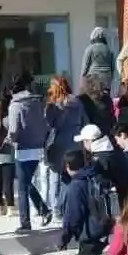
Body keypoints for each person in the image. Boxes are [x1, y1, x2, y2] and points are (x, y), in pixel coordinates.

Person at [6, 72, 53, 232]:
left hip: (23, 148)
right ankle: (44, 210)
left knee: (22, 186)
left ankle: (25, 222)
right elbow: (44, 124)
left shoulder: (15, 105)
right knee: (26, 183)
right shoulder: (37, 102)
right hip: (38, 146)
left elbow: (14, 130)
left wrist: (8, 140)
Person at [45, 76, 87, 218]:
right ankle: (66, 206)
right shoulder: (77, 101)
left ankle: (57, 208)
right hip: (75, 141)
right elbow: (84, 120)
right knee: (69, 176)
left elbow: (49, 125)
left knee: (56, 176)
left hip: (58, 142)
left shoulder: (53, 105)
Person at [77, 123, 128, 205]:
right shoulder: (114, 152)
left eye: (84, 141)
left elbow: (101, 187)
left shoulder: (99, 159)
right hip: (125, 196)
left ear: (89, 141)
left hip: (113, 204)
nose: (83, 144)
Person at [78, 74, 116, 138]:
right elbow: (112, 118)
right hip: (101, 134)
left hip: (92, 134)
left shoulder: (81, 99)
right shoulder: (106, 98)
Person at [80, 27, 117, 93]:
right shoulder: (109, 50)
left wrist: (82, 79)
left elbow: (85, 66)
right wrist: (110, 78)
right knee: (105, 98)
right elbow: (113, 67)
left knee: (93, 98)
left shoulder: (90, 48)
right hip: (106, 79)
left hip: (93, 79)